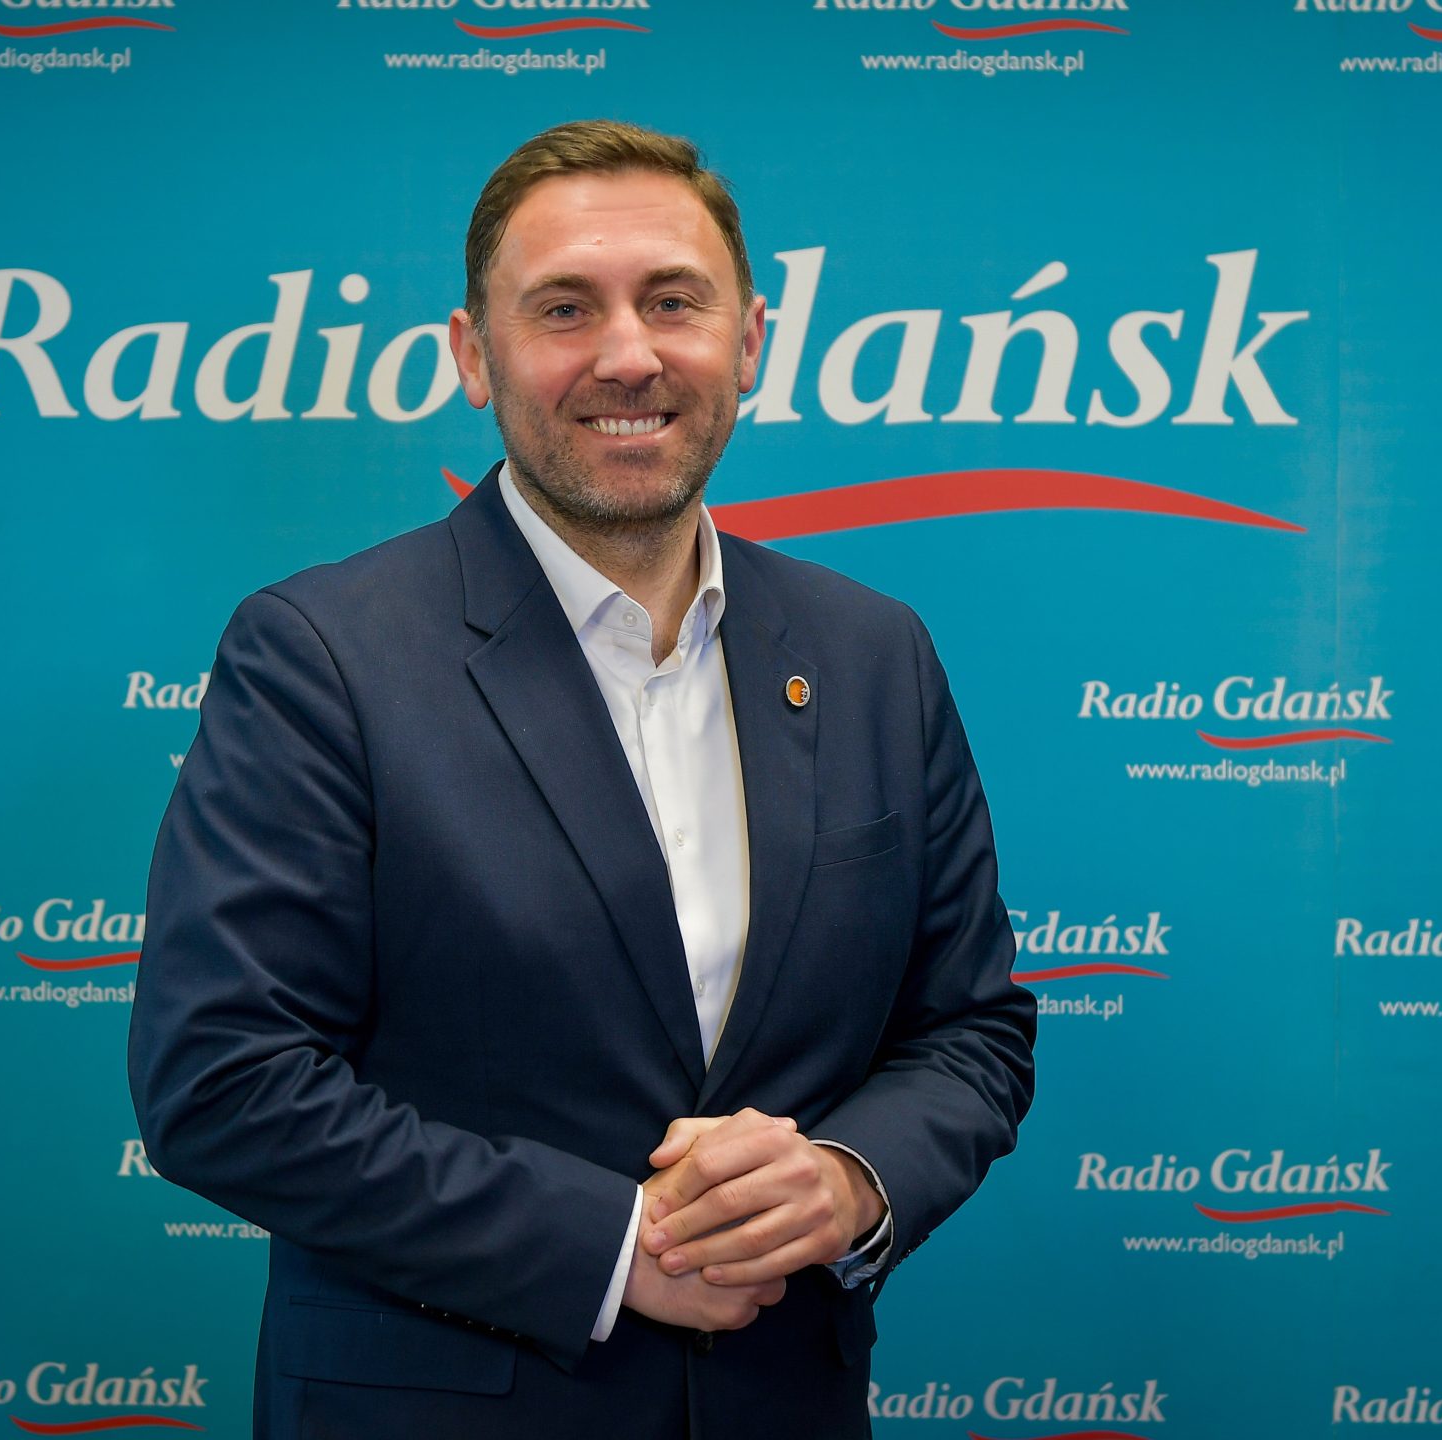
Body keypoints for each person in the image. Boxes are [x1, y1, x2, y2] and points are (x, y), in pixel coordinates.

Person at [127, 119, 1035, 1440]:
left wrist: (848, 1180)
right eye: (564, 308)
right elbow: (222, 1081)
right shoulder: (321, 655)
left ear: (751, 341)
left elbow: (971, 1031)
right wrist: (612, 1247)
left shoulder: (870, 653)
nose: (627, 355)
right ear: (472, 356)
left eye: (674, 301)